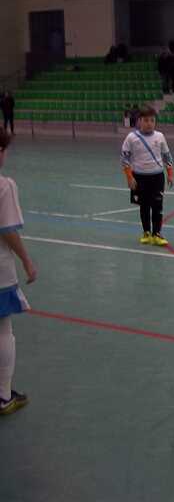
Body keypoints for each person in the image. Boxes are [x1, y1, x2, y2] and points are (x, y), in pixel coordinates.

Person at [0, 129, 36, 416]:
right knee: (4, 331)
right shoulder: (4, 186)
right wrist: (27, 260)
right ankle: (3, 395)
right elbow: (8, 230)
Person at [121, 106, 174, 247]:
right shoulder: (131, 138)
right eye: (146, 120)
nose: (149, 123)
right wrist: (129, 177)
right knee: (144, 206)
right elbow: (125, 159)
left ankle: (157, 234)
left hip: (157, 177)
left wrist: (170, 174)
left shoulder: (160, 136)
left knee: (157, 206)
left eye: (152, 120)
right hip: (139, 178)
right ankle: (146, 232)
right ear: (139, 121)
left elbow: (167, 156)